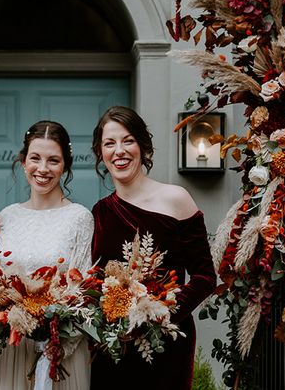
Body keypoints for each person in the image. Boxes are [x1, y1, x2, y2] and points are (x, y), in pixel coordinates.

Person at [90, 106, 216, 390]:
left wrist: (160, 313)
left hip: (164, 343)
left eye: (128, 140)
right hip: (114, 344)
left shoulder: (176, 199)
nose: (119, 151)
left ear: (142, 146)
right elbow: (96, 281)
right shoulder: (100, 212)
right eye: (109, 143)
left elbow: (205, 277)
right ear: (100, 153)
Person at [0, 120, 94, 390]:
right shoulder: (8, 216)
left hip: (58, 353)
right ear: (23, 162)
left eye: (53, 160)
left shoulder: (80, 217)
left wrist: (56, 346)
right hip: (11, 348)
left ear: (65, 166)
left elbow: (84, 292)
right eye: (35, 158)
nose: (42, 169)